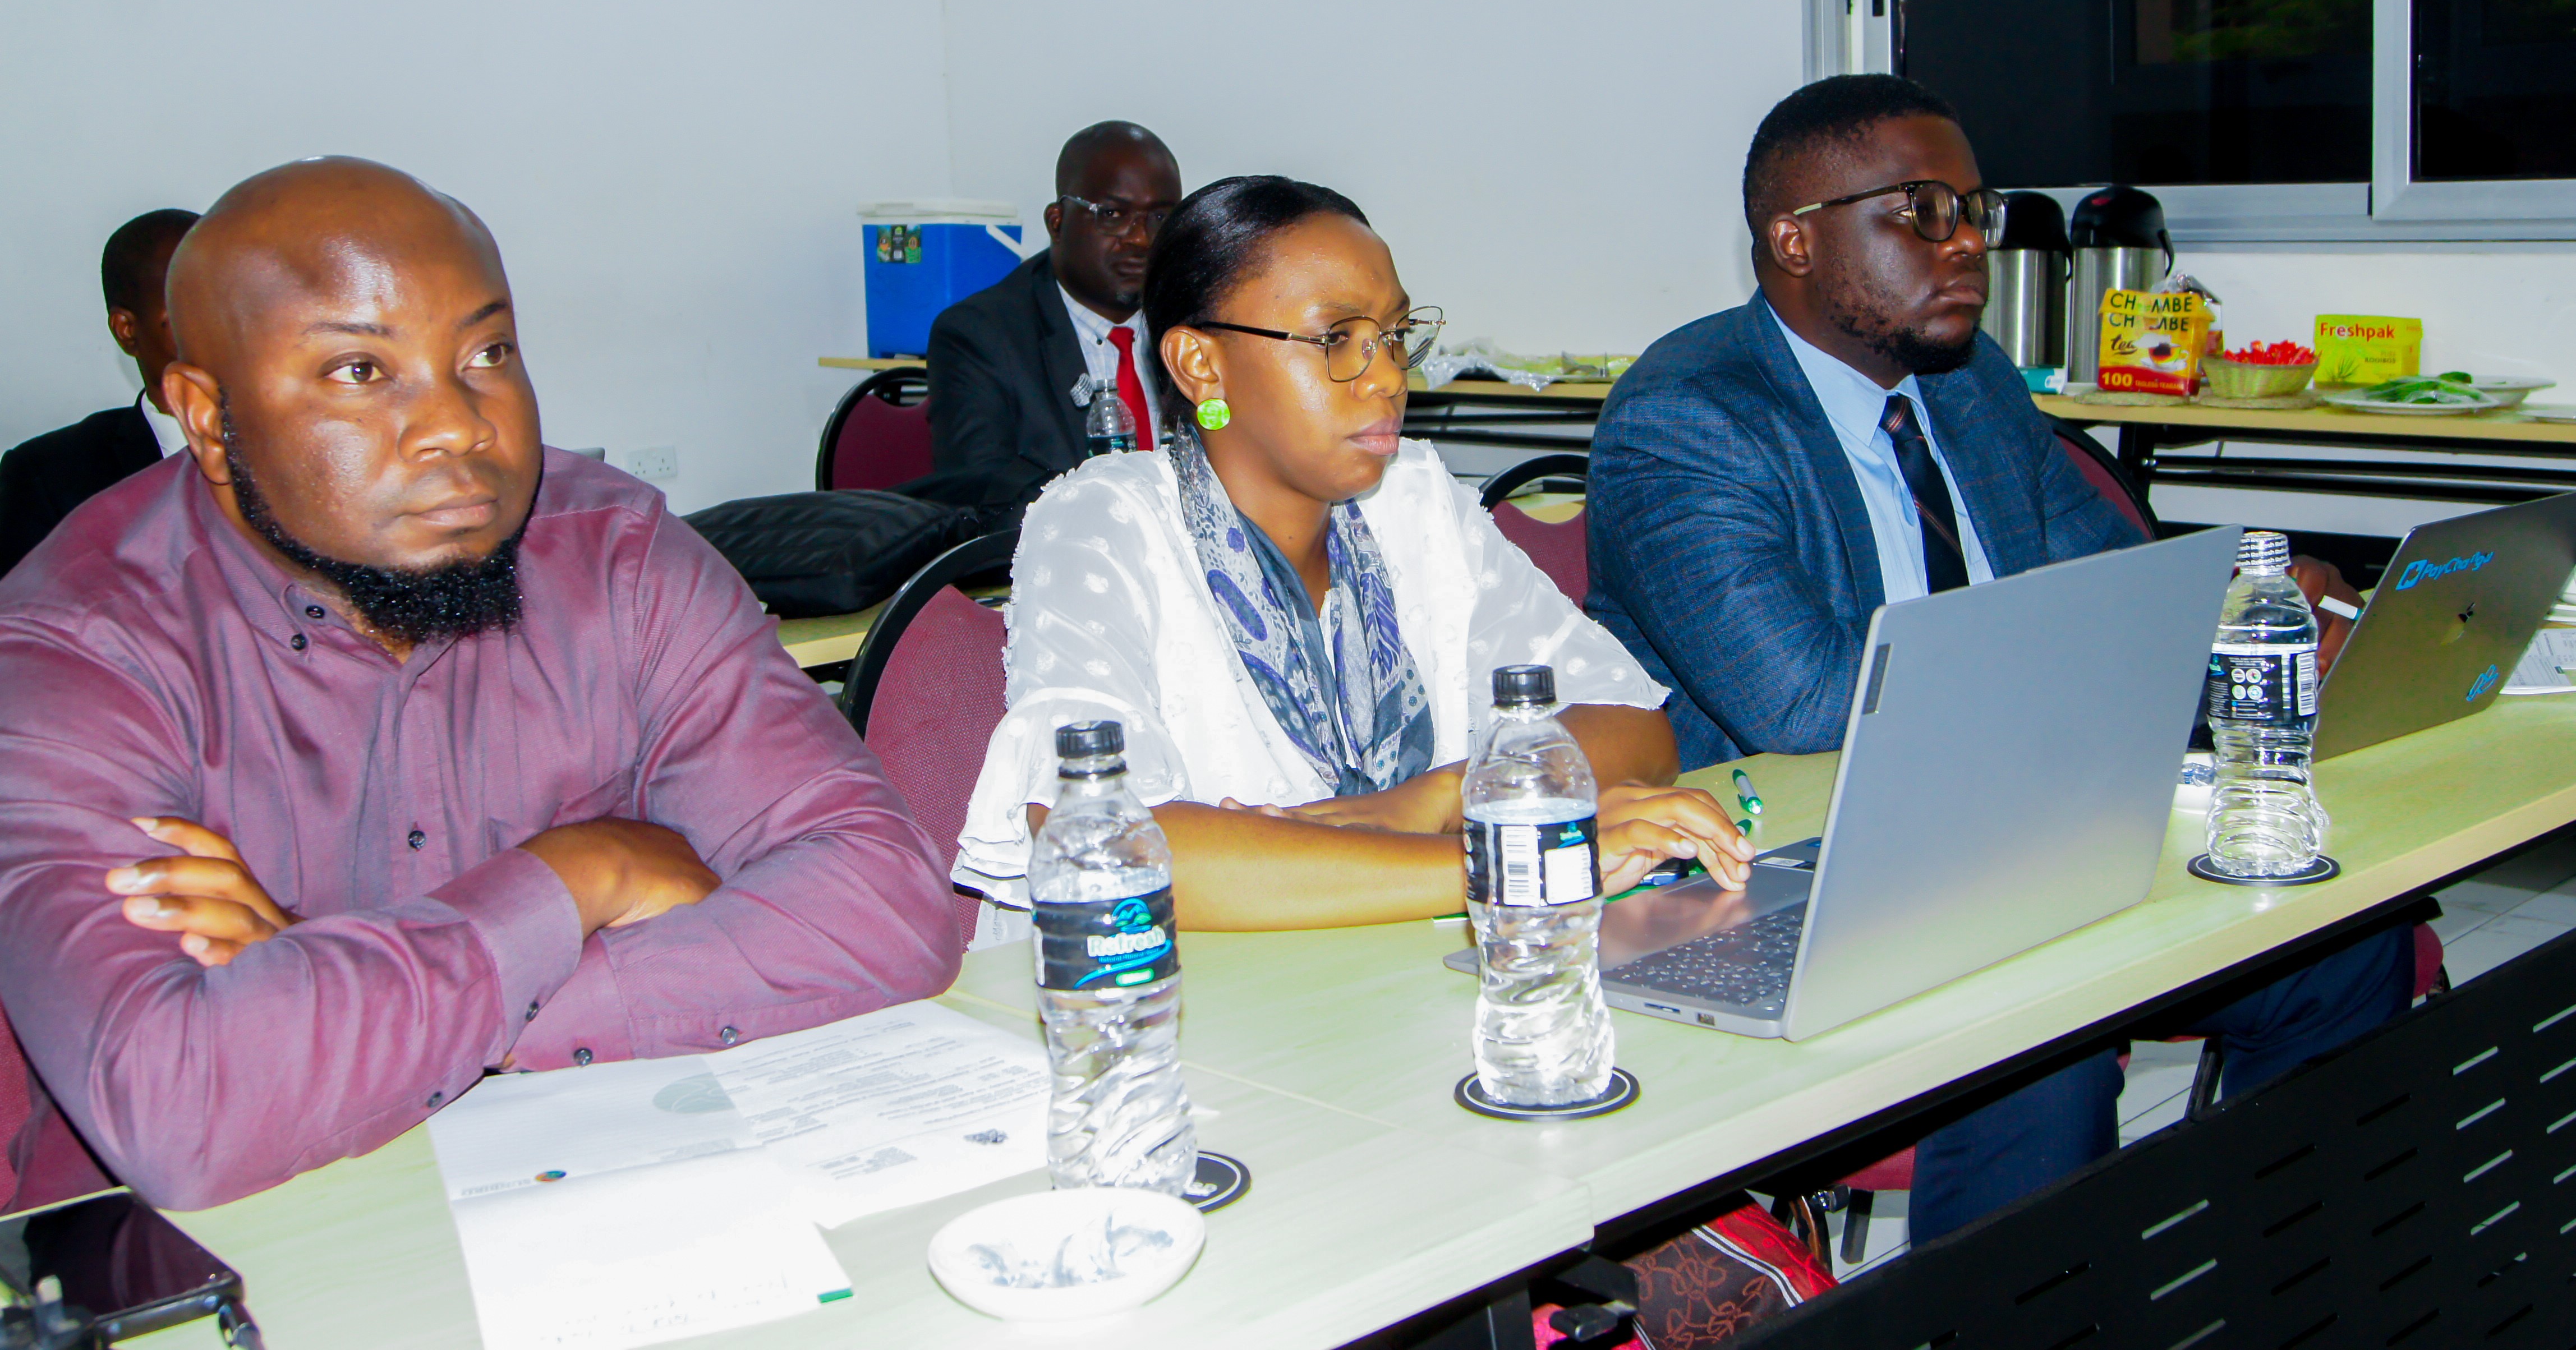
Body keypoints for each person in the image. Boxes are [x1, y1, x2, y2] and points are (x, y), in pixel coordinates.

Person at [0, 158, 960, 1213]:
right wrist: (579, 877)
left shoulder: (615, 554)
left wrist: (336, 997)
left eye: (487, 352)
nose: (459, 424)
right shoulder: (72, 645)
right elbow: (184, 1105)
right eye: (360, 372)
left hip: (608, 1185)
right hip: (228, 1247)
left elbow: (885, 903)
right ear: (205, 414)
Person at [1586, 75, 2409, 1243]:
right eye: (1921, 211)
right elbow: (1809, 702)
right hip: (1793, 861)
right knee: (2044, 1053)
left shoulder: (1967, 381)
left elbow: (2113, 586)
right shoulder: (1686, 415)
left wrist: (2241, 601)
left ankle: (2292, 1275)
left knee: (2342, 947)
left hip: (2019, 820)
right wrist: (2088, 658)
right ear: (1796, 239)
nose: (1967, 241)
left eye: (1974, 206)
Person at [954, 175, 1749, 933]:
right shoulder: (1101, 521)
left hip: (1392, 976)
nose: (1388, 379)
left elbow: (1630, 725)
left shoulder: (1415, 499)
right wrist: (1510, 857)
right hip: (1157, 1005)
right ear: (1202, 365)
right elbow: (1101, 846)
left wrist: (1440, 795)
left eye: (1396, 336)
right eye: (1337, 339)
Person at [924, 122, 1183, 511]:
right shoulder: (980, 335)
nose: (1141, 239)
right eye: (1113, 214)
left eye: (1161, 219)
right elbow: (983, 491)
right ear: (1057, 222)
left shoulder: (1197, 319)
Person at [0, 209, 199, 578]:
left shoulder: (291, 447)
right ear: (126, 330)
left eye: (229, 308)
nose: (216, 331)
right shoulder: (50, 477)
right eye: (183, 317)